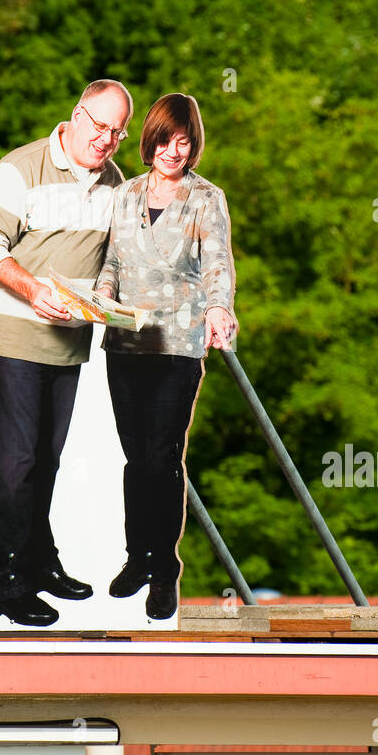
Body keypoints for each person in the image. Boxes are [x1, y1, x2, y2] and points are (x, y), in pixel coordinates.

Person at [0, 80, 133, 627]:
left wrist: (114, 299)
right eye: (99, 125)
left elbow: (117, 259)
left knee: (45, 461)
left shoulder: (116, 185)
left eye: (117, 132)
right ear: (76, 115)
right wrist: (33, 289)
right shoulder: (18, 169)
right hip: (16, 335)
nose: (106, 139)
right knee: (14, 464)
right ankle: (7, 583)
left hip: (69, 344)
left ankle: (41, 561)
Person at [94, 93, 238, 620]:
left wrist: (221, 310)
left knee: (162, 455)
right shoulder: (125, 195)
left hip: (178, 344)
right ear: (150, 140)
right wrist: (101, 295)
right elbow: (112, 260)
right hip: (126, 342)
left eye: (183, 141)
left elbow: (218, 262)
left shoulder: (206, 198)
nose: (173, 151)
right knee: (135, 458)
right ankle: (136, 557)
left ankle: (163, 570)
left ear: (192, 144)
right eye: (164, 140)